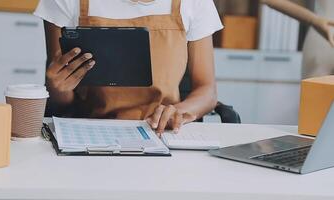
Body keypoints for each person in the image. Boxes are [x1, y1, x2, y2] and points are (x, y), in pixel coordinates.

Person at [34, 0, 223, 136]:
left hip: (161, 133)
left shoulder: (195, 3)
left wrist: (180, 111)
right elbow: (59, 102)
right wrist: (57, 88)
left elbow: (207, 91)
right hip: (87, 133)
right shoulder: (65, 2)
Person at [261, 0, 334, 78]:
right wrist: (313, 20)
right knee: (314, 88)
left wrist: (314, 20)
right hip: (323, 40)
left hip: (324, 37)